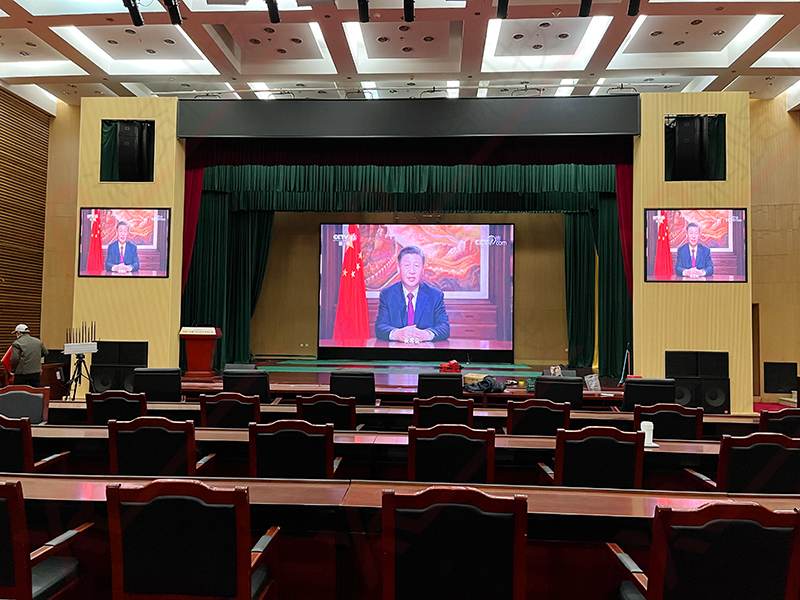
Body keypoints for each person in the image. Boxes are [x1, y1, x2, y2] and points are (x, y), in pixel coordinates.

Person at [375, 246, 450, 343]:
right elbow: (380, 327)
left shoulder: (435, 295)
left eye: (416, 266)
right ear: (398, 268)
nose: (412, 271)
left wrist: (426, 334)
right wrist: (397, 334)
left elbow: (444, 327)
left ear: (423, 269)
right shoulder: (387, 294)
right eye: (407, 265)